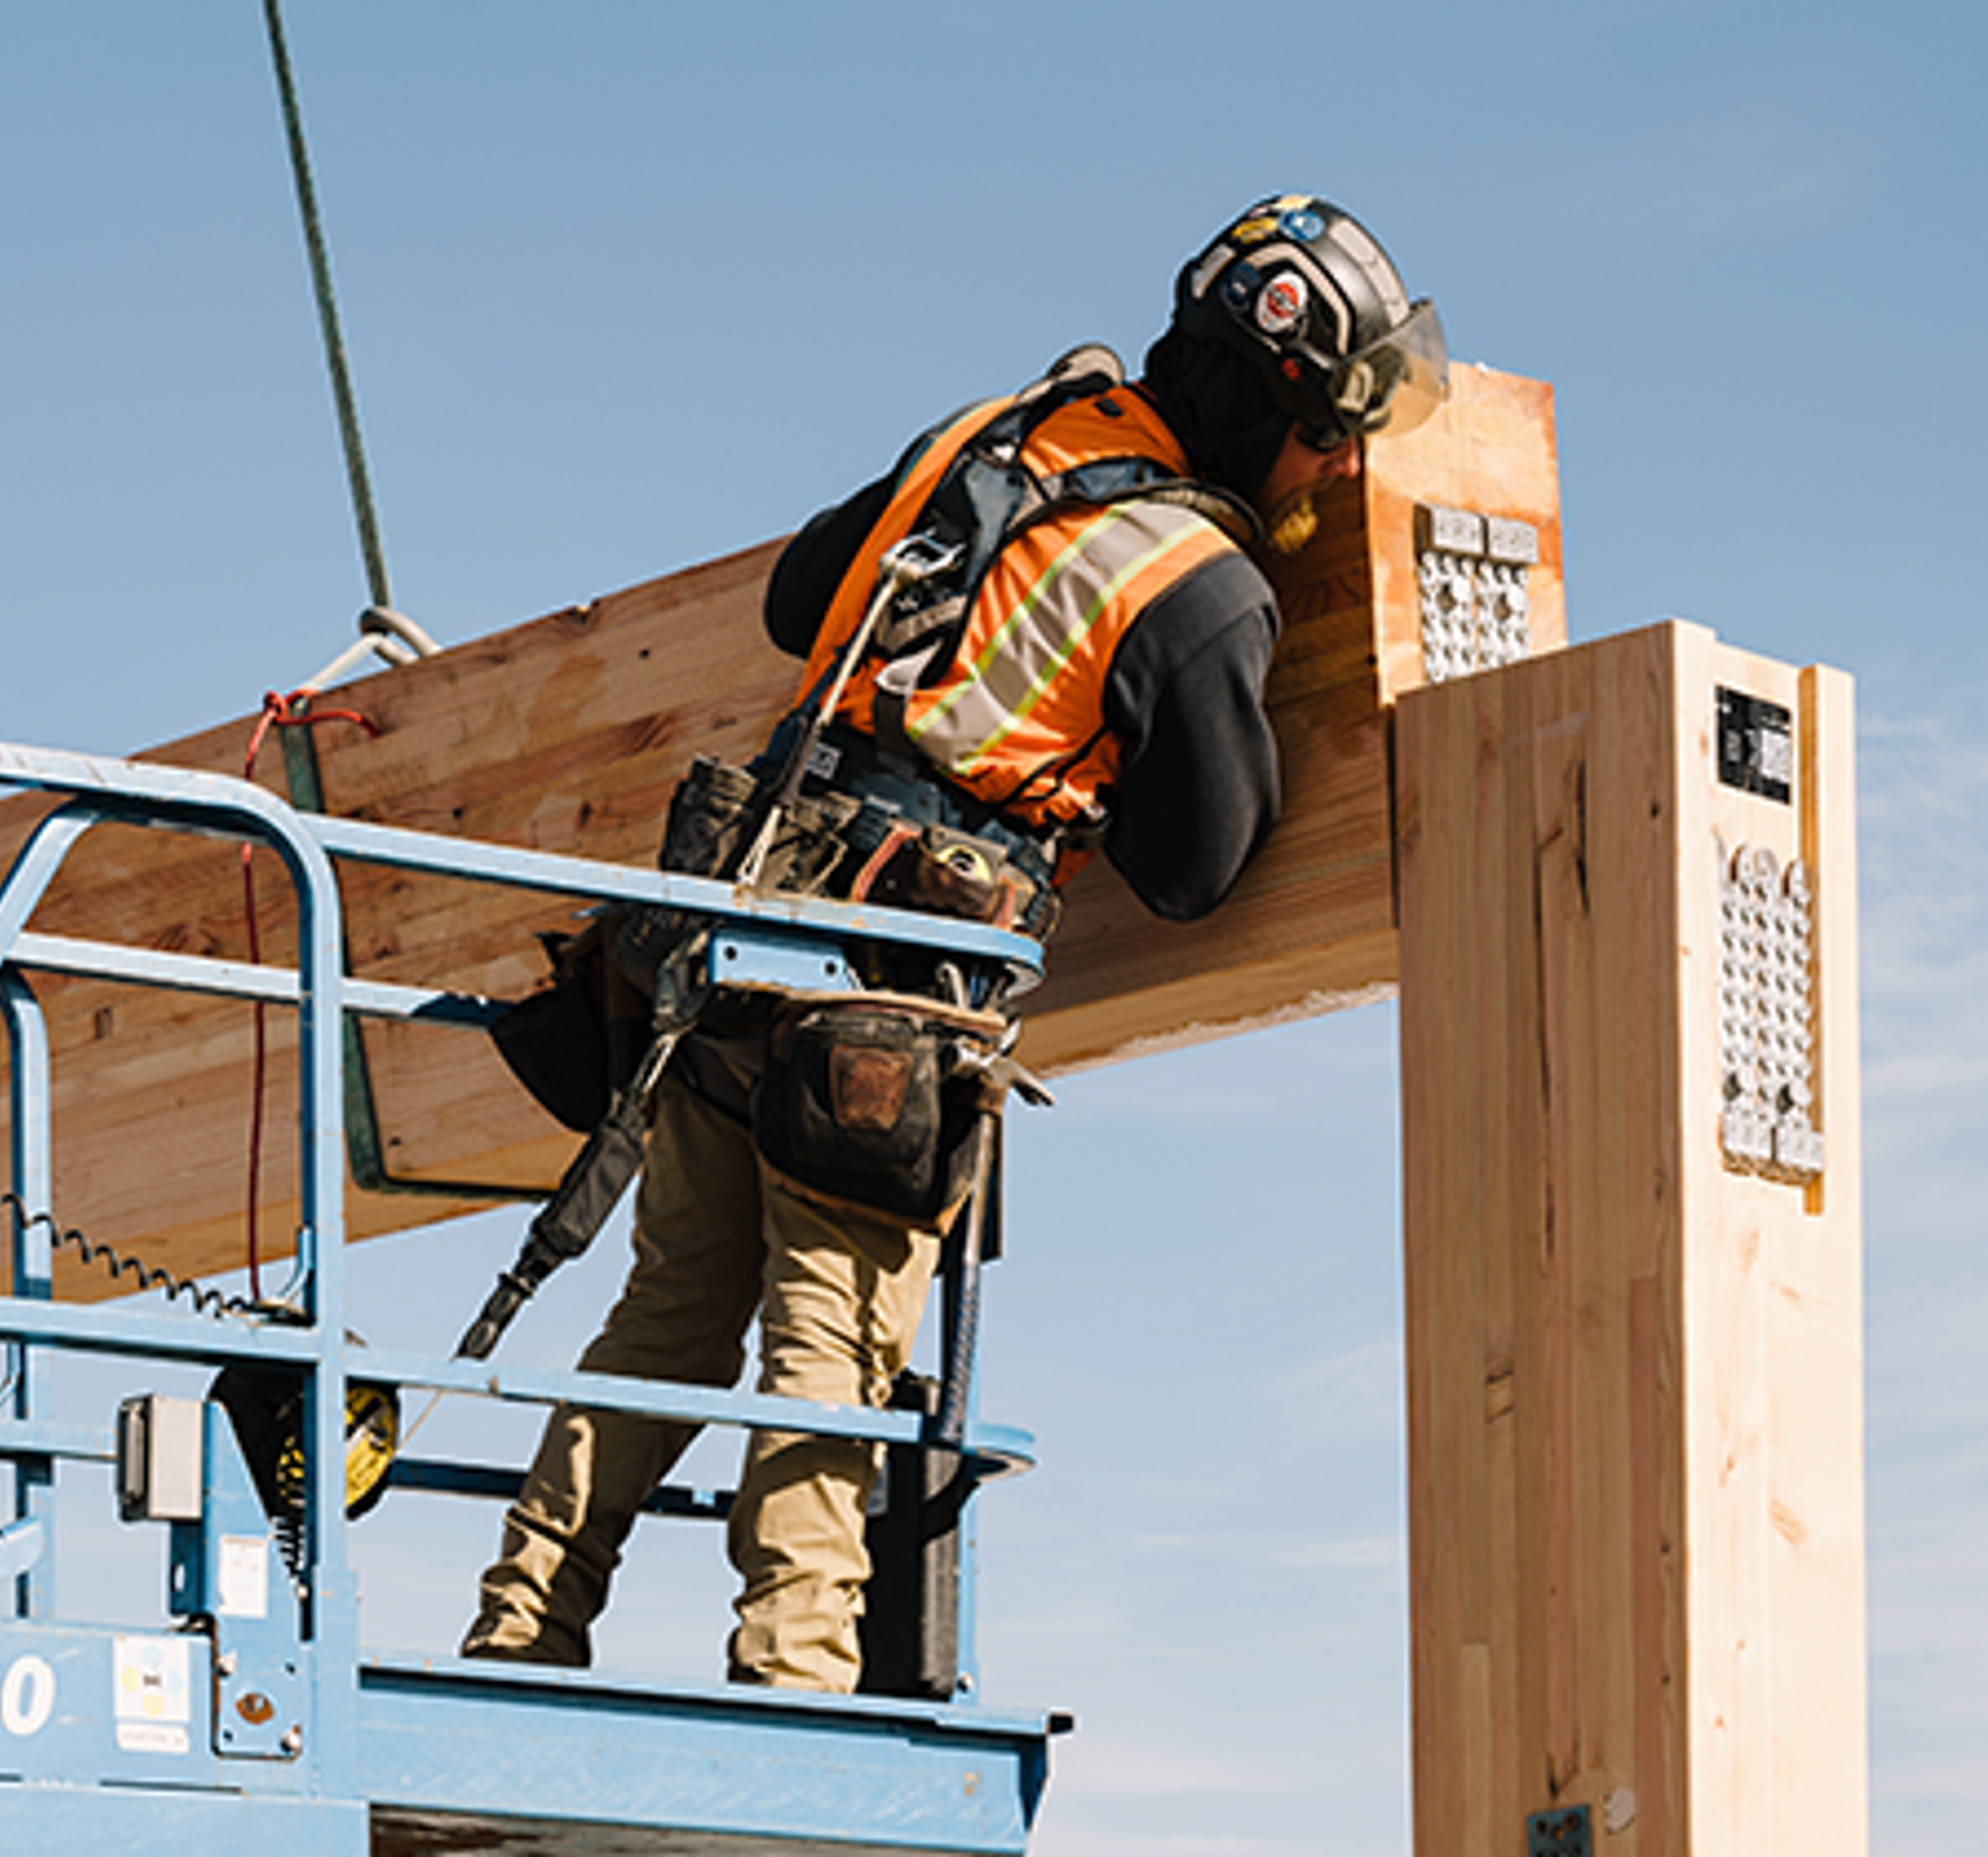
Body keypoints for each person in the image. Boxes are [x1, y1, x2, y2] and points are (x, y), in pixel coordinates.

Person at [460, 195, 1444, 1691]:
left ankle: (520, 1634)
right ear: (1260, 406)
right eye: (1326, 433)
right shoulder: (1199, 583)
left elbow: (807, 601)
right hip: (892, 998)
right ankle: (790, 1681)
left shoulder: (1005, 431)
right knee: (830, 1340)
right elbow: (1197, 869)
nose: (1340, 467)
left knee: (666, 1313)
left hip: (739, 919)